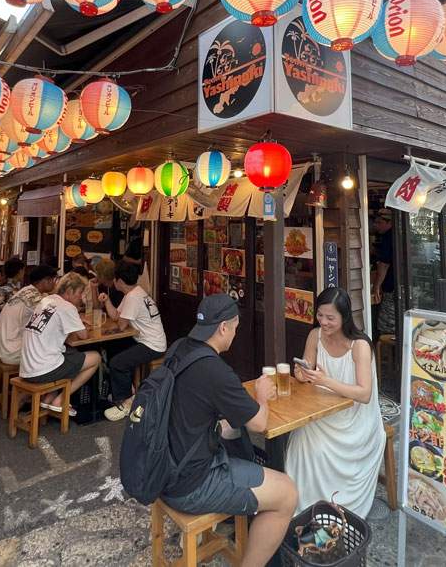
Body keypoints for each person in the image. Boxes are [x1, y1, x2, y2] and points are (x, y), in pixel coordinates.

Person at [161, 294, 298, 567]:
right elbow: (258, 423)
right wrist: (261, 394)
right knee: (287, 493)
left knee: (231, 434)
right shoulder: (215, 371)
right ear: (223, 328)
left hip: (163, 468)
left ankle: (244, 520)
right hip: (191, 484)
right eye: (235, 328)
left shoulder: (179, 348)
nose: (235, 334)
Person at [284, 287, 384, 517]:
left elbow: (364, 394)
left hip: (356, 419)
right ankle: (299, 507)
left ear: (345, 317)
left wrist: (326, 381)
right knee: (300, 438)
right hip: (322, 410)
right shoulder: (314, 336)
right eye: (320, 315)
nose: (324, 322)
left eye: (331, 318)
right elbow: (306, 370)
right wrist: (302, 373)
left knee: (317, 448)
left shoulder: (360, 345)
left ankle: (330, 508)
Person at [19, 272, 101, 415]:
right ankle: (61, 400)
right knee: (95, 357)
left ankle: (49, 398)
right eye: (80, 293)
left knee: (73, 354)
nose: (80, 298)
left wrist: (76, 322)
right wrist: (80, 325)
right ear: (69, 290)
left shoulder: (46, 301)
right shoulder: (67, 307)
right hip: (42, 370)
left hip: (26, 367)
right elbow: (83, 336)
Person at [102, 262, 168, 422]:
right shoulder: (135, 292)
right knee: (116, 349)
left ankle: (127, 402)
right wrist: (106, 300)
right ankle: (126, 391)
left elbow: (121, 325)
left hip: (152, 345)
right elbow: (116, 317)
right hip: (150, 341)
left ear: (120, 281)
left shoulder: (132, 297)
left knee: (117, 362)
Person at [0, 264, 58, 367]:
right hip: (12, 352)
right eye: (54, 280)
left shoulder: (25, 291)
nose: (55, 283)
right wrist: (55, 295)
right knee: (57, 350)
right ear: (45, 281)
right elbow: (52, 325)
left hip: (3, 347)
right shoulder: (35, 299)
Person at [372, 208, 396, 336]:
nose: (377, 225)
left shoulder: (388, 237)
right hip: (401, 287)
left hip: (391, 288)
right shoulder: (399, 235)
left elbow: (384, 264)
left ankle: (389, 355)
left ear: (390, 223)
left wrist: (376, 286)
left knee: (386, 327)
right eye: (376, 222)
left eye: (380, 222)